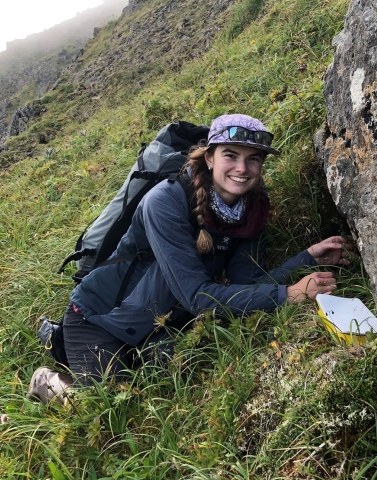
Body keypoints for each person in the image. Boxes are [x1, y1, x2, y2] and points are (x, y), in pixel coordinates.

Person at [27, 113, 350, 403]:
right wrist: (289, 294)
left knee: (170, 388)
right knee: (109, 408)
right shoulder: (164, 201)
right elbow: (198, 297)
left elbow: (245, 285)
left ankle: (78, 356)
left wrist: (306, 259)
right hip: (98, 319)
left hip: (163, 322)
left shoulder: (252, 209)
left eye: (253, 159)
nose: (242, 168)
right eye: (230, 155)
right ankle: (48, 378)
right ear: (209, 157)